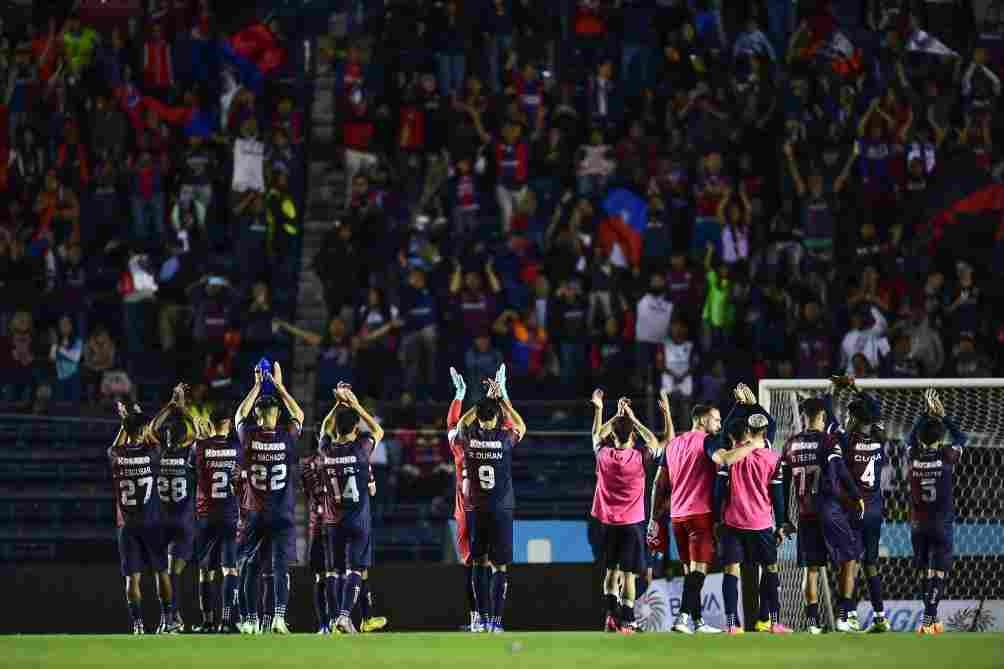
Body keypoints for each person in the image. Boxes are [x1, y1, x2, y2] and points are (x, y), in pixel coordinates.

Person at [780, 390, 863, 634]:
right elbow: (841, 471)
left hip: (805, 514)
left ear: (804, 415)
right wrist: (856, 496)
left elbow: (784, 484)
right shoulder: (828, 442)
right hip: (829, 509)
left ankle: (813, 623)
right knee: (850, 559)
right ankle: (843, 615)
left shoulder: (790, 444)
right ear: (822, 416)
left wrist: (784, 517)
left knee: (812, 569)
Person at [711, 384, 791, 635]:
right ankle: (774, 622)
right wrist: (780, 523)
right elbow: (777, 495)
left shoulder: (728, 457)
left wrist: (716, 520)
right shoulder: (772, 457)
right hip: (761, 524)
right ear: (760, 432)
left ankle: (732, 624)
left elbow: (718, 492)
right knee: (770, 569)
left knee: (730, 569)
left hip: (733, 524)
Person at [233, 361, 304, 635]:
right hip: (282, 513)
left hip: (253, 512)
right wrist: (281, 387)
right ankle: (277, 618)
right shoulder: (287, 436)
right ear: (276, 413)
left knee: (250, 565)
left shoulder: (249, 436)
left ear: (258, 414)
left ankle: (250, 620)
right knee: (280, 566)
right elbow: (299, 414)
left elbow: (240, 413)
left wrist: (255, 386)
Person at [457, 365, 526, 633]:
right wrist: (501, 400)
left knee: (479, 562)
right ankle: (497, 622)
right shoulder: (504, 438)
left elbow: (462, 423)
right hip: (502, 508)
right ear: (497, 418)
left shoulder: (470, 438)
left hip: (476, 508)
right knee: (500, 566)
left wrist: (482, 401)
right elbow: (520, 425)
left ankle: (481, 620)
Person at [590, 390, 662, 635]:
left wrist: (607, 412)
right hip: (632, 524)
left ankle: (611, 617)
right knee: (629, 576)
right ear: (632, 435)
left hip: (608, 523)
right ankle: (628, 621)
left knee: (611, 572)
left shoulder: (604, 455)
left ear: (613, 435)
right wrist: (633, 418)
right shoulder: (639, 457)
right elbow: (653, 441)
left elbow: (596, 435)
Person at [648, 399, 723, 634]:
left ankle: (698, 622)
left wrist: (653, 517)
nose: (719, 424)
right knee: (699, 571)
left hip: (677, 517)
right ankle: (682, 617)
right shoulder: (709, 442)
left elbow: (658, 484)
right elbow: (722, 462)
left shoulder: (673, 444)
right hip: (700, 514)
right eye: (716, 419)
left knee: (690, 572)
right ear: (702, 420)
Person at [317, 383, 384, 634]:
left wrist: (337, 404)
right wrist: (355, 404)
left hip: (333, 520)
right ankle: (345, 617)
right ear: (356, 429)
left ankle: (334, 620)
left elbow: (324, 428)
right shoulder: (361, 450)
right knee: (356, 569)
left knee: (334, 571)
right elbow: (378, 430)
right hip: (358, 520)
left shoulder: (326, 452)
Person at [831, 375, 889, 633]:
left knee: (849, 563)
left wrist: (833, 391)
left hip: (854, 509)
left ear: (853, 419)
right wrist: (856, 387)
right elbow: (874, 410)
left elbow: (830, 419)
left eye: (849, 416)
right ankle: (880, 616)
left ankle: (849, 613)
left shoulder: (846, 441)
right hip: (876, 511)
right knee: (871, 564)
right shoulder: (880, 438)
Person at [108, 400, 171, 635]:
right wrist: (136, 421)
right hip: (152, 523)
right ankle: (167, 619)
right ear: (142, 431)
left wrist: (125, 422)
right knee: (161, 572)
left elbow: (116, 446)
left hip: (127, 525)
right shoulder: (152, 453)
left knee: (131, 579)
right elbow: (153, 438)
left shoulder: (116, 455)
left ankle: (138, 624)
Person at [908, 389, 967, 635]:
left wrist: (925, 415)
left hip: (918, 526)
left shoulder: (913, 455)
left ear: (922, 439)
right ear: (940, 439)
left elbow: (910, 438)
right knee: (939, 571)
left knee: (926, 571)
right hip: (941, 524)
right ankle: (929, 620)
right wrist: (942, 416)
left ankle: (929, 620)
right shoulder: (946, 455)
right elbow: (962, 438)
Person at [147, 384, 198, 634]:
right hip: (184, 521)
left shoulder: (158, 454)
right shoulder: (189, 452)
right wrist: (184, 409)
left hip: (162, 519)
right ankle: (173, 617)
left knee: (163, 574)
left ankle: (169, 616)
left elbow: (150, 429)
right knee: (174, 573)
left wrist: (170, 404)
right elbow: (198, 432)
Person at [189, 406, 240, 634]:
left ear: (211, 424)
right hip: (229, 513)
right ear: (228, 423)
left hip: (205, 515)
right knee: (230, 569)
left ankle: (208, 622)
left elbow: (193, 470)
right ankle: (227, 621)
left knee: (205, 572)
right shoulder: (237, 448)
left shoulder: (199, 447)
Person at [447, 367, 479, 631]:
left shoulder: (458, 447)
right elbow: (514, 427)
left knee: (470, 566)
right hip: (485, 510)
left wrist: (460, 396)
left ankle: (476, 619)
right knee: (489, 565)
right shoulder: (488, 444)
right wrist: (499, 398)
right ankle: (490, 619)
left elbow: (453, 424)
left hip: (464, 512)